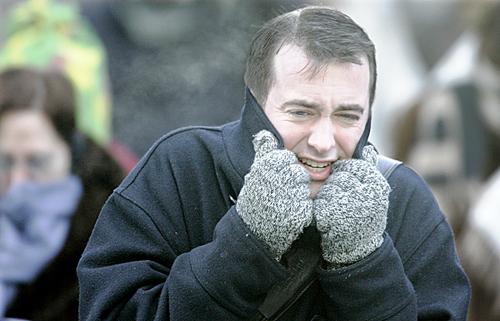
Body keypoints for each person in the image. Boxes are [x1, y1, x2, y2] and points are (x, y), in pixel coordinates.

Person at [77, 6, 470, 320]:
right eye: (301, 112)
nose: (323, 141)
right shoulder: (180, 168)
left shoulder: (404, 198)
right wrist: (247, 242)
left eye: (348, 116)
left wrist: (365, 261)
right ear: (257, 107)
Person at [0, 67, 124, 320]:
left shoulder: (114, 233)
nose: (18, 182)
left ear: (72, 152)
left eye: (37, 163)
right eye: (4, 162)